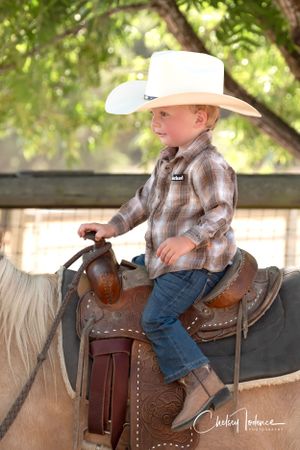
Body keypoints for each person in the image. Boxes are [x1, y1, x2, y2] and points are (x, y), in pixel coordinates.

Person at [78, 51, 261, 431]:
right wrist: (113, 225)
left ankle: (200, 382)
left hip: (197, 265)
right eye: (152, 113)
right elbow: (144, 201)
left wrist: (188, 241)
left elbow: (220, 213)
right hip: (168, 260)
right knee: (131, 276)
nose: (154, 122)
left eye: (164, 113)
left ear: (198, 118)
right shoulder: (167, 161)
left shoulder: (207, 164)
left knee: (157, 317)